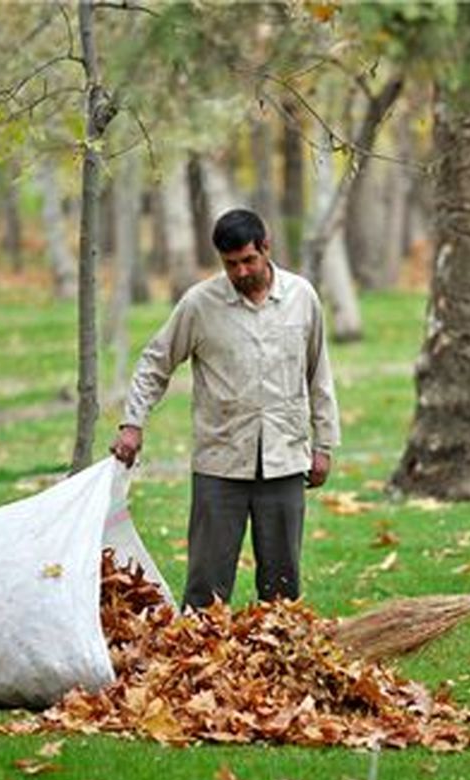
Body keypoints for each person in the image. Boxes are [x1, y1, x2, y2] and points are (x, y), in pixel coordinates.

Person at [110, 208, 340, 609]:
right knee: (206, 585)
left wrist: (325, 445)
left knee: (282, 586)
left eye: (248, 260)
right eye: (231, 264)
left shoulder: (302, 298)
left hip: (284, 458)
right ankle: (199, 660)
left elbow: (318, 372)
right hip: (220, 463)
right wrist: (133, 422)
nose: (240, 272)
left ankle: (282, 661)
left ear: (266, 248)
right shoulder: (200, 304)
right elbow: (155, 362)